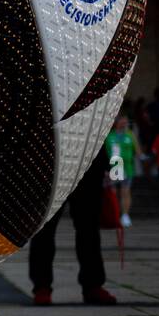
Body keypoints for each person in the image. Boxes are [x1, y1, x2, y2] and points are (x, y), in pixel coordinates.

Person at [29, 148, 117, 305]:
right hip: (49, 162)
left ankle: (93, 285)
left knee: (89, 229)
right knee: (44, 229)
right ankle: (42, 286)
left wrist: (104, 164)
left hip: (86, 163)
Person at [105, 114, 140, 228]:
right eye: (122, 122)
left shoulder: (130, 135)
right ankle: (115, 215)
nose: (125, 124)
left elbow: (138, 151)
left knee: (125, 191)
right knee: (114, 192)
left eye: (126, 122)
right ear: (117, 122)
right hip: (115, 166)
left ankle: (125, 215)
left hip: (127, 166)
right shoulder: (110, 135)